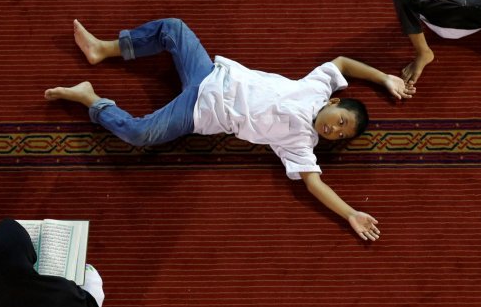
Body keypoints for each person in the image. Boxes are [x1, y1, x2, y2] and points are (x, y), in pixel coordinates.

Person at [45, 18, 414, 241]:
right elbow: (344, 63)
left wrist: (350, 213)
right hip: (208, 72)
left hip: (199, 112)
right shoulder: (317, 87)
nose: (335, 131)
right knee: (173, 27)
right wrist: (384, 78)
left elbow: (315, 184)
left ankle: (91, 100)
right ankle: (103, 50)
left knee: (140, 135)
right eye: (342, 122)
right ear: (335, 103)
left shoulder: (302, 143)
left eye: (341, 136)